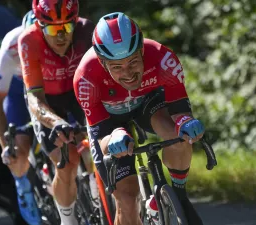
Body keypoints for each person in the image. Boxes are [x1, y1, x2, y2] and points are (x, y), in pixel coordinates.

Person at [73, 12, 205, 225]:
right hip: (110, 122)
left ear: (142, 50)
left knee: (176, 134)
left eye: (133, 62)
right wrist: (114, 136)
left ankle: (179, 196)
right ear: (102, 63)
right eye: (117, 67)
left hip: (148, 104)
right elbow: (101, 137)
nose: (128, 73)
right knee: (126, 199)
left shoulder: (163, 58)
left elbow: (180, 111)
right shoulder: (86, 77)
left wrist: (186, 123)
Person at [17, 0, 96, 224]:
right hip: (46, 99)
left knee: (102, 140)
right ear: (40, 26)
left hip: (78, 90)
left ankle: (98, 180)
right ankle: (68, 219)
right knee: (67, 160)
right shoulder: (28, 40)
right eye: (52, 29)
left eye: (67, 27)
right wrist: (56, 122)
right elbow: (34, 98)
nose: (61, 36)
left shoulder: (87, 31)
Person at [0, 10, 42, 225]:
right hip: (20, 89)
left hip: (50, 85)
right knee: (19, 150)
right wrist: (6, 147)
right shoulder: (11, 46)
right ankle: (22, 182)